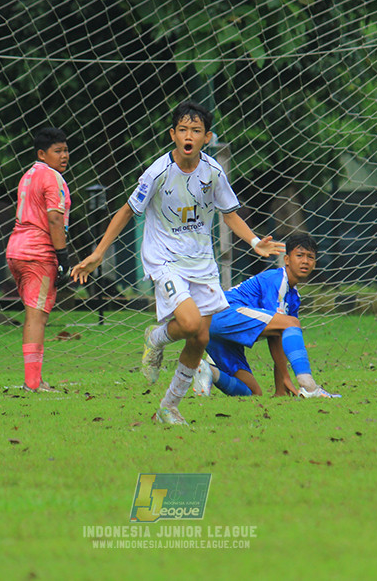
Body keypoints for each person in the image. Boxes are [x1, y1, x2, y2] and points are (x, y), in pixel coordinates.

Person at [70, 101, 284, 425]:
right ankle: (156, 338)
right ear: (173, 134)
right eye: (183, 129)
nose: (188, 135)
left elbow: (229, 214)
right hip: (165, 259)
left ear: (206, 137)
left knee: (201, 338)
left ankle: (168, 407)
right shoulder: (158, 172)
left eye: (196, 130)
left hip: (202, 263)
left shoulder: (213, 172)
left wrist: (255, 242)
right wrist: (99, 253)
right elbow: (127, 210)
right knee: (189, 323)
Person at [191, 233, 338, 398]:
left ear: (315, 263)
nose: (305, 261)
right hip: (222, 313)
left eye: (310, 257)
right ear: (287, 259)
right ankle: (309, 386)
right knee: (291, 322)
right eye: (299, 255)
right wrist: (286, 377)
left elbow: (281, 337)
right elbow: (277, 334)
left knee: (253, 392)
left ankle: (209, 371)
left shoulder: (294, 297)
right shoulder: (276, 280)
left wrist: (280, 391)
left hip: (214, 331)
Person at [5, 127, 72, 392]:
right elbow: (54, 218)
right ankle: (32, 382)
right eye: (58, 151)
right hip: (37, 253)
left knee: (33, 314)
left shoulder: (28, 175)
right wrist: (63, 257)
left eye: (66, 150)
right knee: (37, 317)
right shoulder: (52, 177)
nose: (64, 155)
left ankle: (35, 379)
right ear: (42, 154)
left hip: (16, 250)